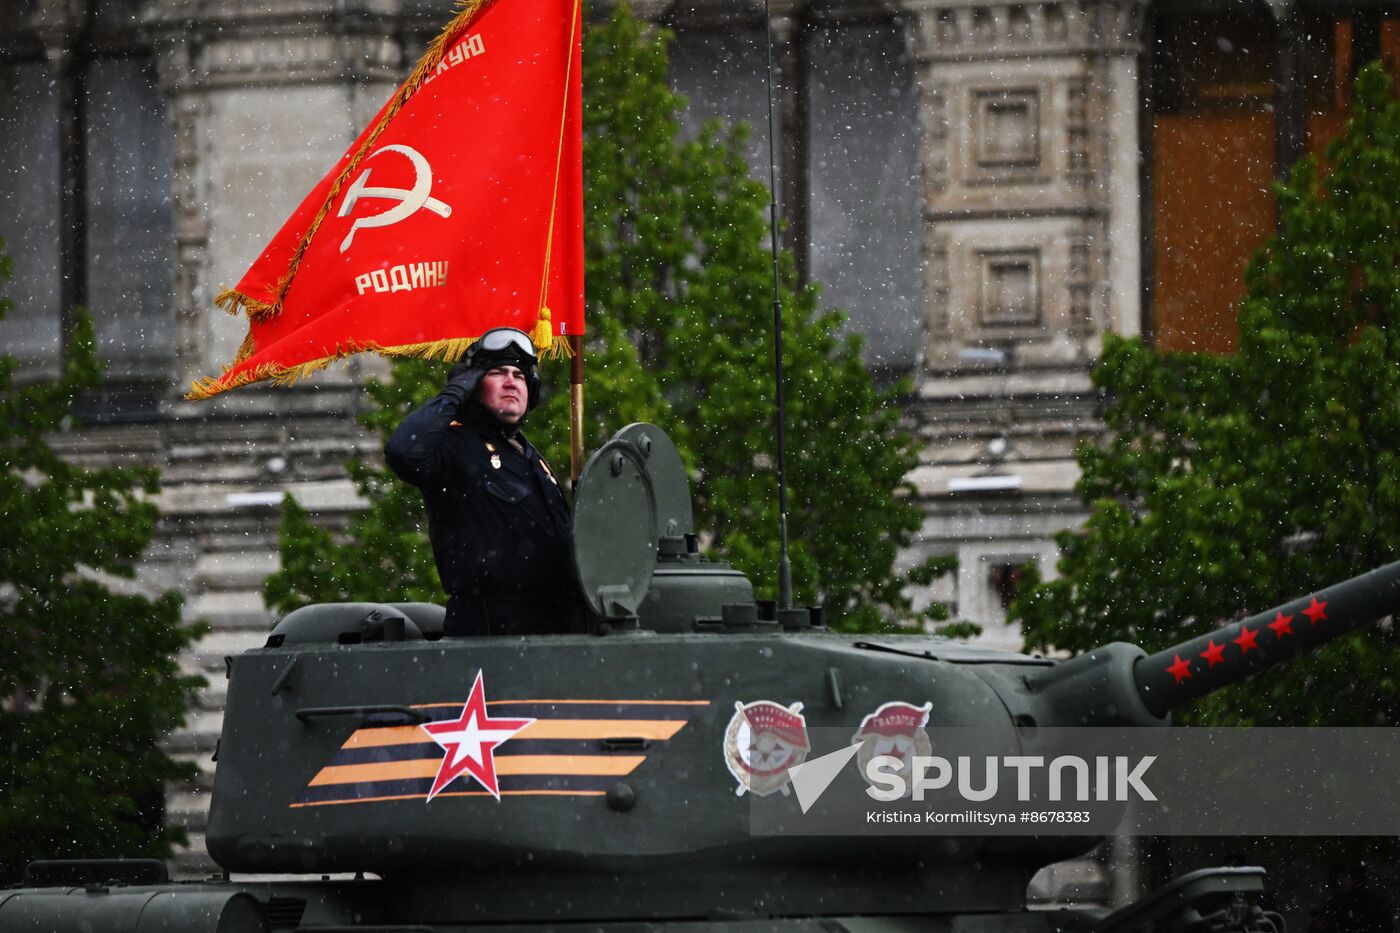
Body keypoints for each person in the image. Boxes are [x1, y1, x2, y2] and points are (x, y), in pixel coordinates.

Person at [385, 327, 581, 636]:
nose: (511, 382)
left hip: (553, 627)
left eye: (519, 376)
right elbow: (403, 452)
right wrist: (455, 392)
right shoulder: (454, 445)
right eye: (498, 373)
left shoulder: (530, 456)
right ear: (474, 385)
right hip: (490, 630)